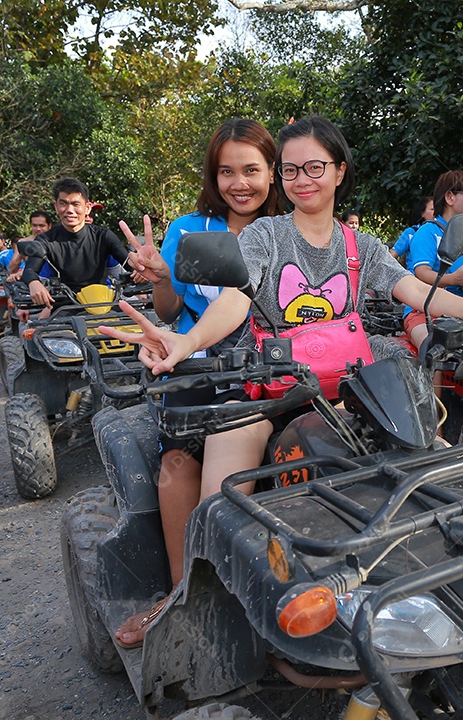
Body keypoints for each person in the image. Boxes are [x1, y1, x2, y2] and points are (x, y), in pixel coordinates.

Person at [100, 117, 463, 647]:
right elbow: (237, 298)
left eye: (315, 167)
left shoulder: (362, 245)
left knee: (443, 465)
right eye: (290, 169)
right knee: (221, 507)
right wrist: (186, 341)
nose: (301, 179)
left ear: (339, 172)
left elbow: (419, 292)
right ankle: (188, 603)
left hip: (352, 393)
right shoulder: (266, 235)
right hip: (266, 390)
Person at [112, 119, 281, 648]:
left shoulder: (286, 227)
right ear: (213, 175)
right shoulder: (189, 227)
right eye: (226, 171)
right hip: (197, 364)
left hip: (273, 369)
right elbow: (170, 309)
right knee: (177, 462)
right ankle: (183, 590)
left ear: (272, 173)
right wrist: (162, 277)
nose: (240, 183)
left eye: (251, 170)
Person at [18, 178, 128, 318]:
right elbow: (30, 270)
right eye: (63, 203)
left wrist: (140, 269)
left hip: (105, 305)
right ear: (56, 206)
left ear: (87, 208)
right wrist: (34, 283)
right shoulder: (46, 240)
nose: (70, 210)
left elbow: (129, 264)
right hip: (65, 308)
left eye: (76, 204)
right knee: (39, 335)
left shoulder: (104, 236)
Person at [403, 170, 463, 349]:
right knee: (433, 351)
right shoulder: (428, 232)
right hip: (423, 311)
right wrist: (454, 279)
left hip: (460, 311)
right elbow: (421, 273)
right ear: (450, 197)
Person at [391, 195, 433, 263]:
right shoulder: (411, 232)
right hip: (412, 273)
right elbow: (392, 255)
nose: (436, 212)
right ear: (422, 213)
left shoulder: (441, 233)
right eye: (432, 209)